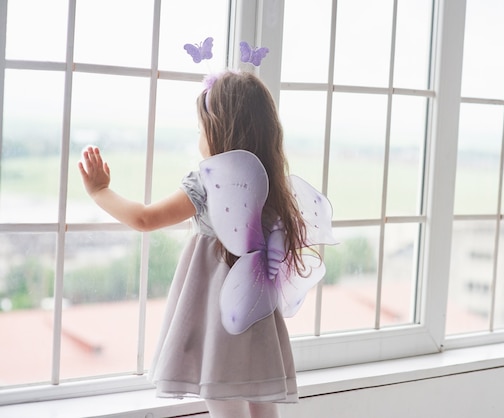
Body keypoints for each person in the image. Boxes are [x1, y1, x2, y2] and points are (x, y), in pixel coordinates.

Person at [78, 71, 328, 418]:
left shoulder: (210, 184)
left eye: (201, 128)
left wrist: (99, 192)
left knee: (222, 396)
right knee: (261, 403)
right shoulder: (272, 183)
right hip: (256, 308)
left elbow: (145, 219)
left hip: (215, 314)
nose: (199, 137)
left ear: (219, 131)